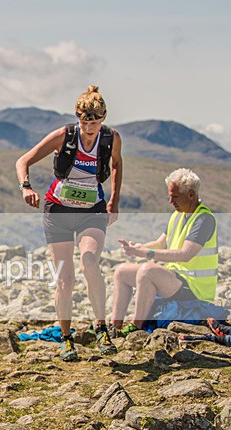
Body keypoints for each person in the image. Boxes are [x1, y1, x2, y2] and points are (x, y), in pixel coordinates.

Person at [16, 86, 122, 361]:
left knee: (89, 261)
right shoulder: (64, 136)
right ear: (77, 118)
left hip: (91, 211)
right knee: (65, 278)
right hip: (59, 210)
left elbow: (117, 165)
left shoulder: (111, 138)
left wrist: (114, 202)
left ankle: (101, 328)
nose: (89, 128)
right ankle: (66, 338)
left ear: (104, 118)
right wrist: (26, 186)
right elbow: (23, 160)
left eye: (95, 123)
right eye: (85, 122)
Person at [111, 168, 217, 334]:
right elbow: (161, 243)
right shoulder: (178, 215)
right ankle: (114, 327)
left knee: (148, 270)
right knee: (121, 271)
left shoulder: (204, 219)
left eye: (175, 196)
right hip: (175, 278)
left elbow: (185, 254)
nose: (170, 201)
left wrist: (147, 254)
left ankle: (135, 327)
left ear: (190, 194)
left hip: (195, 289)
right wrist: (138, 248)